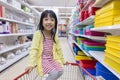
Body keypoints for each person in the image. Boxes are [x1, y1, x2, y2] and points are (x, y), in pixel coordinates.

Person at [26, 10, 66, 80]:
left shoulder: (55, 36)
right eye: (46, 19)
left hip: (52, 59)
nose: (49, 22)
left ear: (55, 22)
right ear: (42, 21)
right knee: (54, 73)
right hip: (42, 59)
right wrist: (31, 64)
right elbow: (34, 49)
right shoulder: (38, 34)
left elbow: (59, 50)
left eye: (52, 20)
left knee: (61, 71)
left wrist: (63, 61)